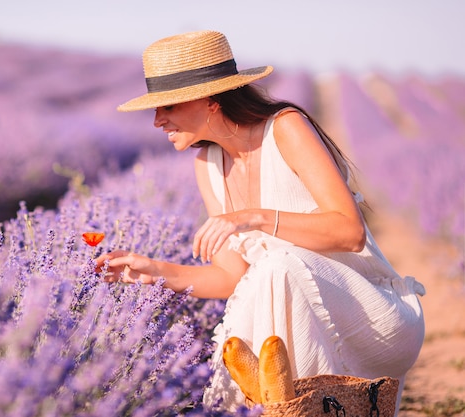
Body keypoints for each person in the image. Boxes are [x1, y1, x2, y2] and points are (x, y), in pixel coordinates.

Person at [96, 30, 425, 413]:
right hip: (294, 318)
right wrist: (154, 271)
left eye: (167, 106)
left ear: (209, 99)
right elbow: (232, 278)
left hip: (372, 318)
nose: (157, 120)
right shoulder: (208, 167)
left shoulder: (286, 128)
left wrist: (255, 217)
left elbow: (350, 234)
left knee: (278, 265)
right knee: (269, 273)